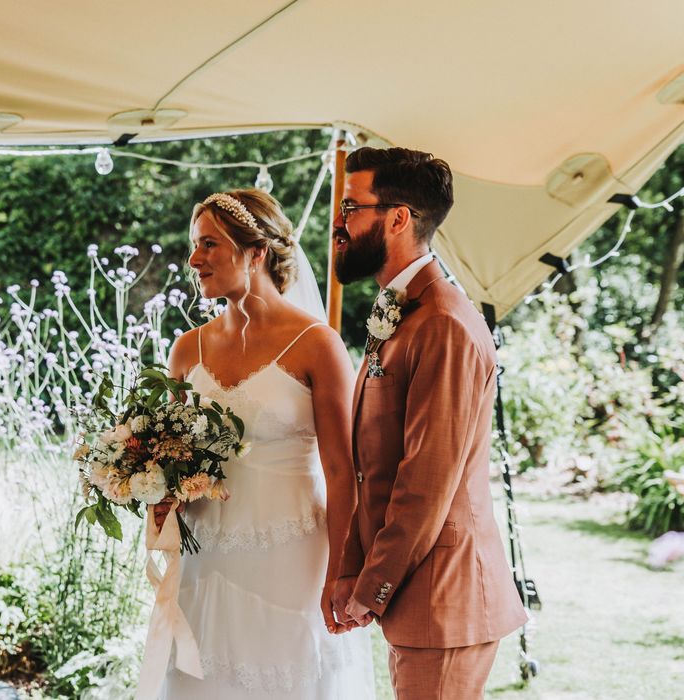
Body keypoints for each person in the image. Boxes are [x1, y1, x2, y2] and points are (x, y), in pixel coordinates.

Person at [154, 189, 374, 699]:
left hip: (292, 557)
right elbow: (171, 455)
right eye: (194, 245)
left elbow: (343, 472)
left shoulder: (317, 345)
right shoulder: (188, 349)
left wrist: (343, 571)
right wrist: (152, 490)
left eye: (209, 244)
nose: (194, 259)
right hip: (205, 554)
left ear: (256, 253)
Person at [330, 147, 528, 700]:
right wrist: (350, 567)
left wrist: (370, 588)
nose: (338, 224)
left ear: (397, 219)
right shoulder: (405, 310)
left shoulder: (442, 323)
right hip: (420, 596)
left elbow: (426, 482)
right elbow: (373, 467)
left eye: (350, 207)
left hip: (445, 597)